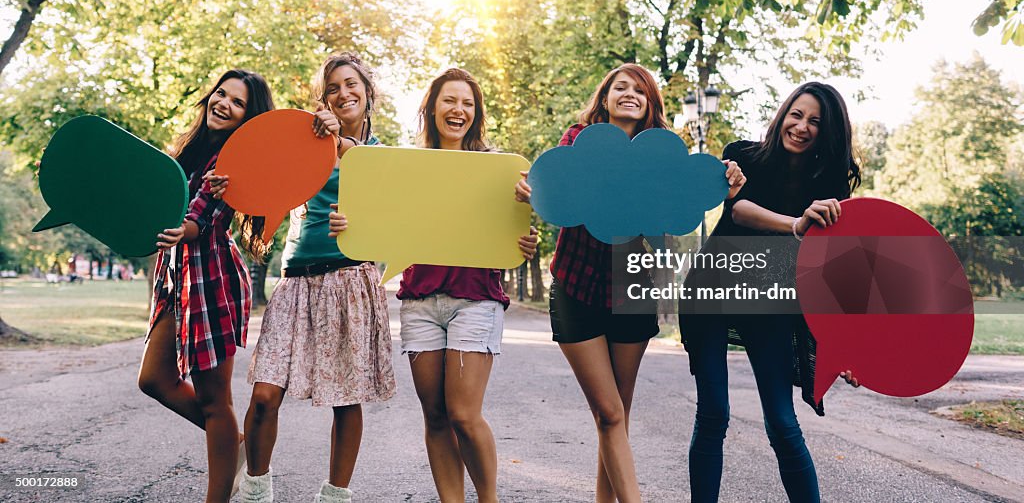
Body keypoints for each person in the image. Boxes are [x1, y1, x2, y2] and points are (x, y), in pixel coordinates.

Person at [516, 63, 744, 503]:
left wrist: (728, 175)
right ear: (604, 97)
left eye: (640, 90)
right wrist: (533, 190)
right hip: (577, 284)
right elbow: (551, 184)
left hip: (632, 286)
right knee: (608, 410)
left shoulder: (661, 157)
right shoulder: (577, 140)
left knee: (617, 413)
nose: (629, 94)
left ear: (650, 105)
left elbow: (695, 187)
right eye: (620, 87)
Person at [680, 82, 862, 503]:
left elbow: (831, 268)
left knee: (782, 422)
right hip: (713, 289)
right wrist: (797, 224)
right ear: (783, 114)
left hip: (770, 300)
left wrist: (847, 344)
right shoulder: (744, 156)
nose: (801, 126)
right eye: (796, 115)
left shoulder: (832, 184)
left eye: (815, 121)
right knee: (713, 415)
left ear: (828, 131)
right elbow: (739, 211)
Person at [366, 68, 537, 503]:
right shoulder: (407, 166)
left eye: (467, 103)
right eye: (449, 101)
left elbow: (512, 235)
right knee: (436, 416)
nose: (457, 110)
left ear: (475, 114)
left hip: (476, 300)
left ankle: (488, 499)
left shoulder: (500, 170)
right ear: (432, 108)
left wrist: (526, 234)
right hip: (420, 301)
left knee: (463, 413)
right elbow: (379, 221)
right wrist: (351, 223)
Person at [239, 53, 396, 503]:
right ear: (322, 98)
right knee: (266, 393)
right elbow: (263, 181)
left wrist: (345, 148)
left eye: (351, 85)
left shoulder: (381, 154)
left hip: (351, 278)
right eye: (332, 88)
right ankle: (255, 490)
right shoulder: (306, 139)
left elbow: (390, 212)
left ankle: (335, 496)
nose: (343, 94)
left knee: (347, 397)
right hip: (296, 279)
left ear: (368, 93)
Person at [138, 69, 275, 503]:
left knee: (216, 400)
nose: (225, 104)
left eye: (238, 103)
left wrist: (185, 229)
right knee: (154, 380)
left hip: (212, 279)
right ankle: (235, 443)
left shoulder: (234, 164)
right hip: (177, 280)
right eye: (222, 94)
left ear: (246, 119)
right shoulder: (187, 152)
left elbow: (201, 217)